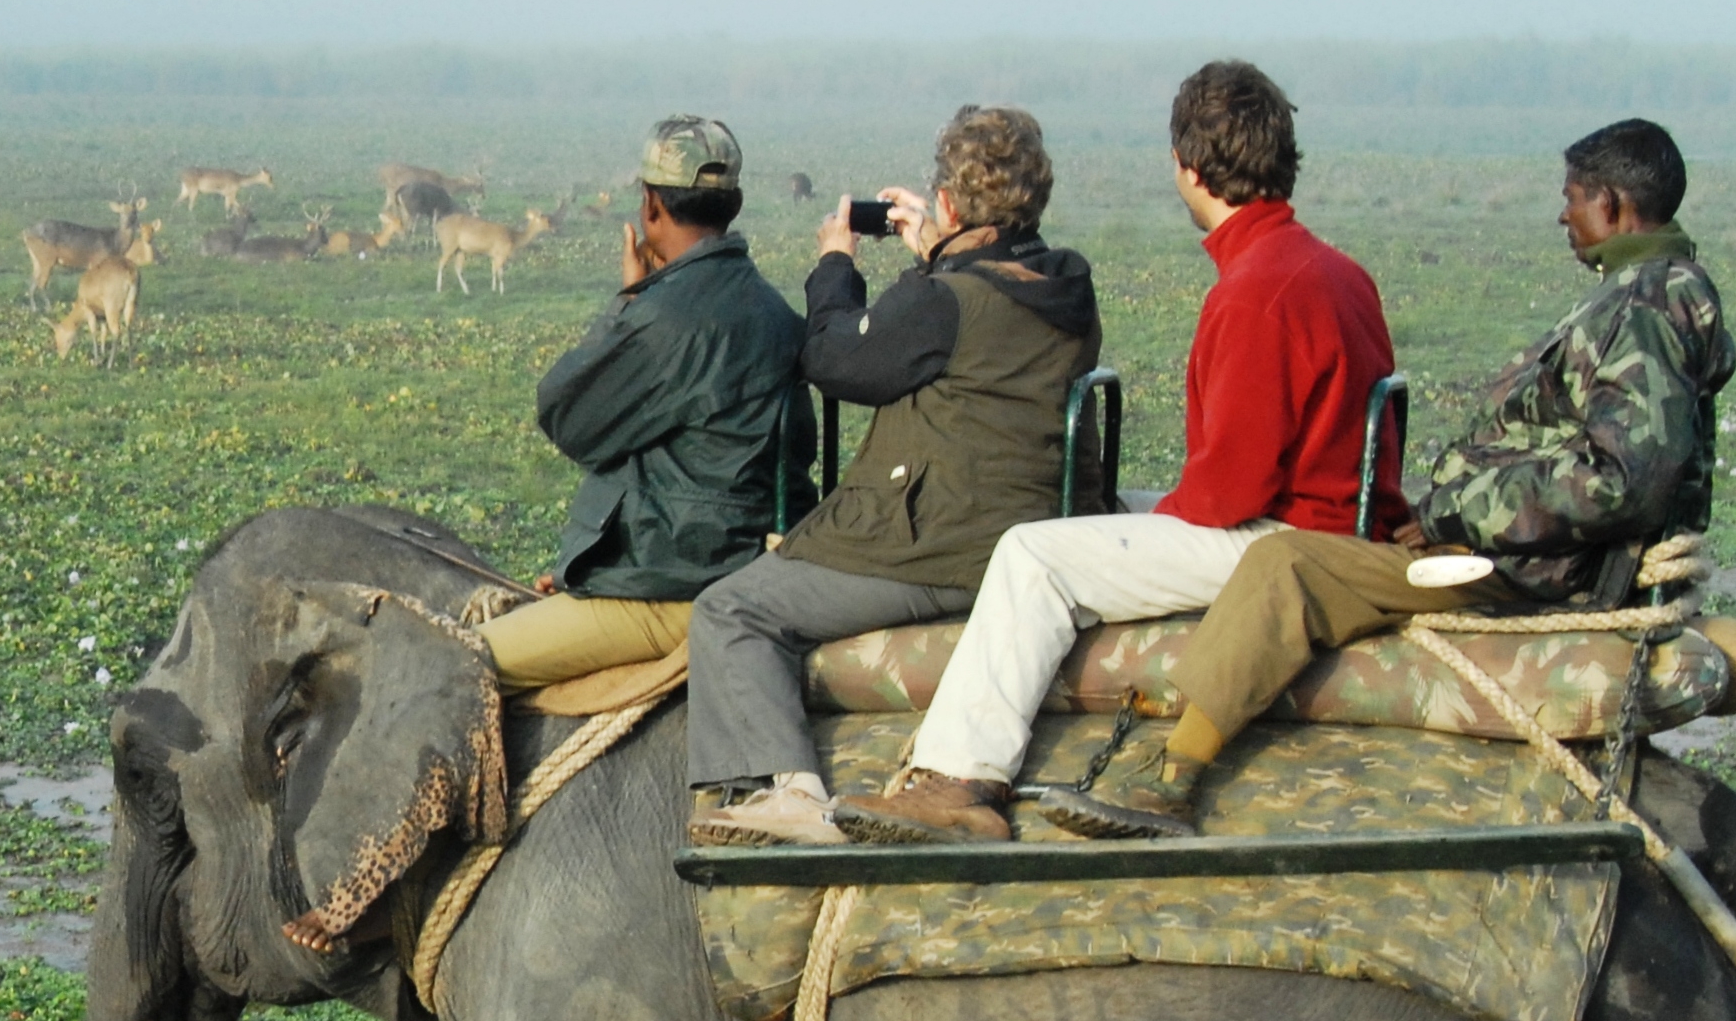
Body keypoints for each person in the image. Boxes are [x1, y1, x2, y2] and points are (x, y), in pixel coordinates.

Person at [1043, 116, 1736, 836]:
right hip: (1525, 555)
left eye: (1572, 197)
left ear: (1614, 206)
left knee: (1286, 562)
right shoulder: (1654, 290)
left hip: (1535, 570)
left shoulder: (1642, 306)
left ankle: (1169, 776)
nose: (1561, 214)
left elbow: (1623, 480)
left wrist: (1451, 516)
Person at [832, 61, 1400, 844]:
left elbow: (1227, 492)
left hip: (1287, 538)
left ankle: (959, 779)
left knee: (1035, 551)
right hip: (1330, 521)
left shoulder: (1253, 290)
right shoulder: (1337, 270)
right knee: (1102, 511)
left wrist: (1136, 527)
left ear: (1186, 168)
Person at [682, 105, 1106, 848]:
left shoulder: (945, 300)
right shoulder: (1063, 282)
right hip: (1033, 526)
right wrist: (940, 257)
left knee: (731, 610)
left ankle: (790, 793)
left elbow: (837, 359)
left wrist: (834, 264)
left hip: (937, 544)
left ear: (945, 202)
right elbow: (968, 339)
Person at [476, 117, 816, 690]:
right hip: (738, 565)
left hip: (677, 588)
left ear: (650, 206)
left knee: (450, 662)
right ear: (732, 204)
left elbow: (568, 415)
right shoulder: (771, 309)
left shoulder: (666, 317)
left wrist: (630, 302)